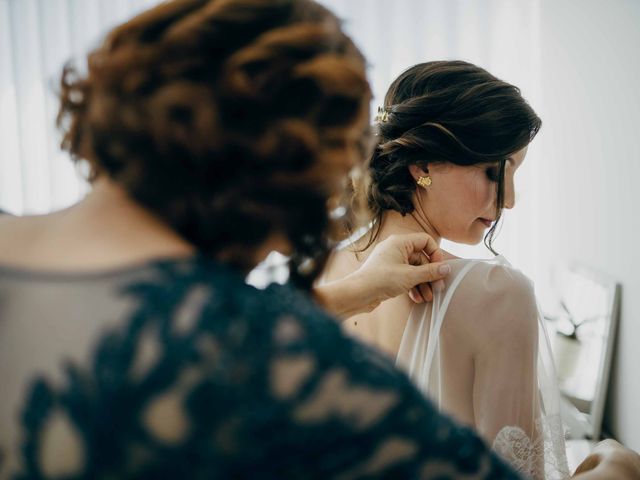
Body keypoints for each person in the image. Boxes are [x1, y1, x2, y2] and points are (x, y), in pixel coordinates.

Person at [0, 1, 638, 479]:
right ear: (274, 172)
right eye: (324, 176)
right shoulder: (268, 354)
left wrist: (354, 290)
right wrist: (614, 469)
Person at [320, 61, 564, 478]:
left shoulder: (327, 267)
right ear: (424, 167)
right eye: (495, 173)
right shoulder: (498, 292)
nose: (509, 202)